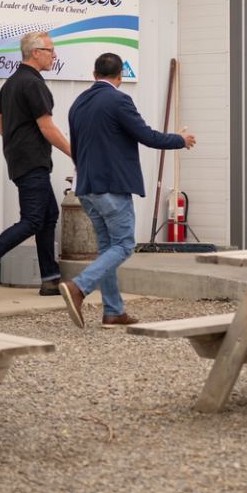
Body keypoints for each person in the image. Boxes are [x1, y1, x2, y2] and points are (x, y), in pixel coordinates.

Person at [58, 52, 194, 328]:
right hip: (111, 186)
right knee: (123, 245)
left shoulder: (77, 104)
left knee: (108, 248)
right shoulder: (119, 100)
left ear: (94, 74)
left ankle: (113, 311)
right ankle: (78, 287)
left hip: (85, 186)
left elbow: (77, 145)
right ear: (120, 75)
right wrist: (179, 139)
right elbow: (146, 136)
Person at [0, 30, 72, 301]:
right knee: (33, 219)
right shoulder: (33, 84)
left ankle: (50, 279)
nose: (54, 55)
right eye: (50, 50)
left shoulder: (11, 83)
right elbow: (46, 127)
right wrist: (75, 153)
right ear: (35, 52)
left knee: (48, 215)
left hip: (20, 160)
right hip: (33, 161)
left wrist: (17, 143)